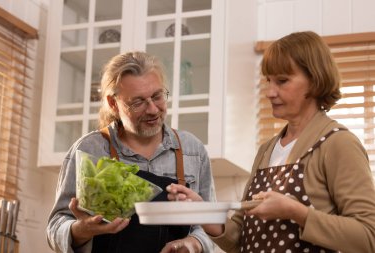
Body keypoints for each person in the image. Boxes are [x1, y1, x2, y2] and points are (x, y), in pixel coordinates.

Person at [166, 31, 375, 253]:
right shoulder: (267, 150)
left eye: (282, 81)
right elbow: (241, 237)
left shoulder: (337, 143)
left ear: (315, 80)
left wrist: (296, 212)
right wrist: (203, 212)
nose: (270, 92)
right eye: (268, 80)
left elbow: (368, 235)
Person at [46, 51, 216, 253]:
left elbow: (211, 225)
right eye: (138, 102)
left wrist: (193, 243)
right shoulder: (88, 149)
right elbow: (55, 227)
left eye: (157, 96)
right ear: (113, 104)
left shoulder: (192, 150)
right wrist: (80, 230)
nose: (152, 109)